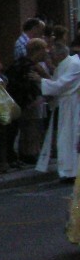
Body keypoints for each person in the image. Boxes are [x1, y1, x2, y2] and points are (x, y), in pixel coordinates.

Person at [36, 38, 80, 181]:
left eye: (52, 54)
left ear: (60, 54)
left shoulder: (73, 64)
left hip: (72, 105)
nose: (50, 57)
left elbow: (60, 85)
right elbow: (56, 84)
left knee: (69, 138)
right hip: (65, 104)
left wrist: (40, 80)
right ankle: (68, 170)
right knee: (65, 138)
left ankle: (71, 171)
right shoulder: (65, 64)